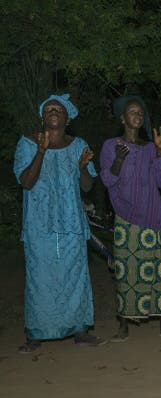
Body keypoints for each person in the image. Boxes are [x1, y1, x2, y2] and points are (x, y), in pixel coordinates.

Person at [13, 94, 106, 353]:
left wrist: (82, 167)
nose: (53, 111)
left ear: (67, 117)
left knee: (75, 276)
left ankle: (80, 330)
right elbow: (26, 182)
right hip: (39, 224)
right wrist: (41, 152)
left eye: (58, 109)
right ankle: (35, 334)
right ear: (42, 117)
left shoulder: (79, 145)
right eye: (49, 109)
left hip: (71, 222)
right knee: (39, 277)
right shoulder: (27, 144)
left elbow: (87, 185)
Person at [100, 95, 161, 341]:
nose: (138, 116)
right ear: (122, 118)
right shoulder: (110, 146)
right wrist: (120, 159)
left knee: (159, 272)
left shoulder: (148, 148)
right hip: (127, 218)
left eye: (141, 113)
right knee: (127, 273)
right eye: (132, 112)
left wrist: (159, 150)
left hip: (153, 217)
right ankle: (123, 327)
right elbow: (107, 180)